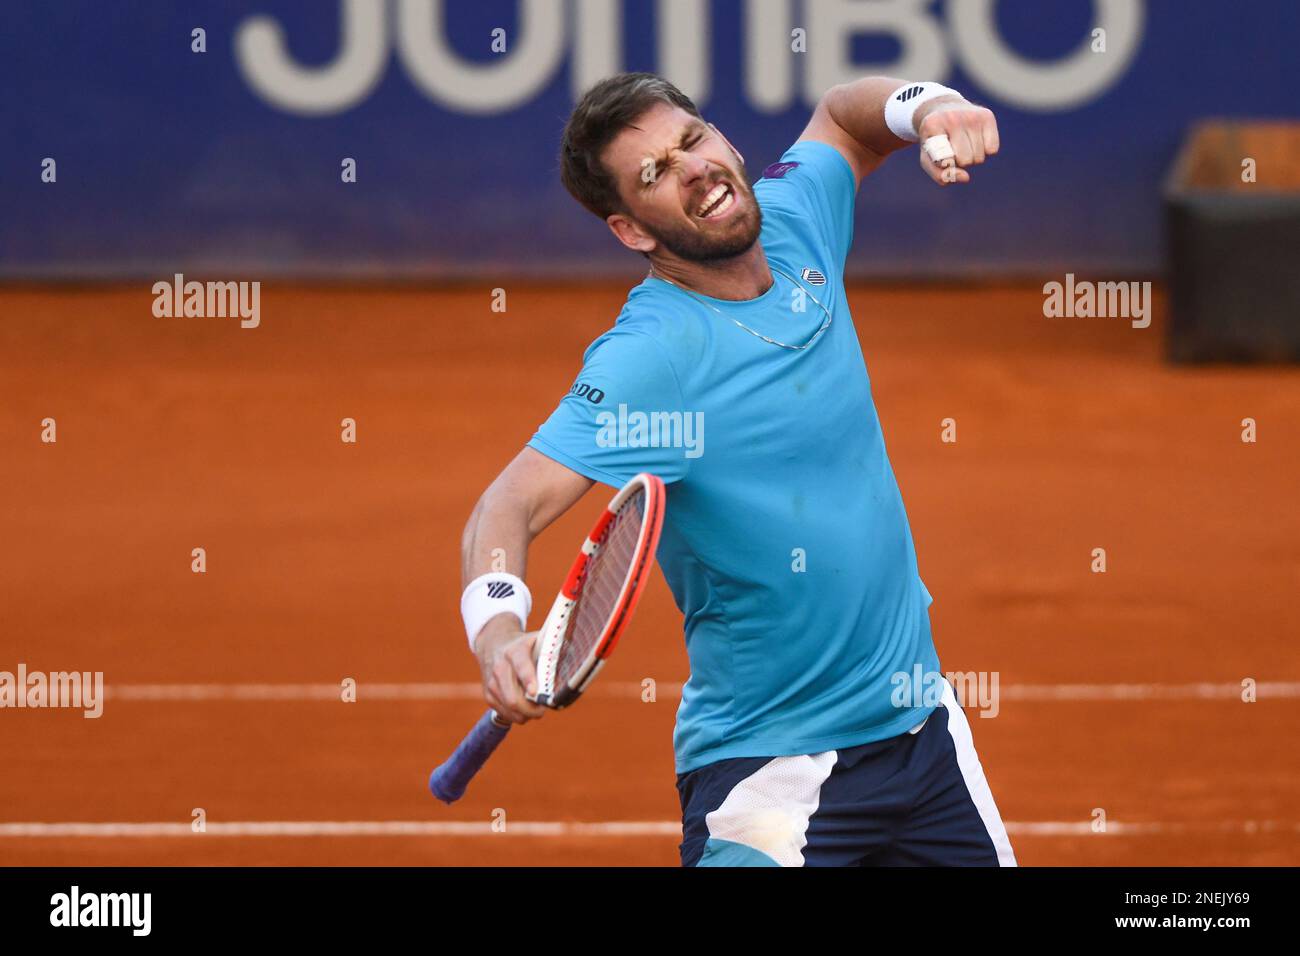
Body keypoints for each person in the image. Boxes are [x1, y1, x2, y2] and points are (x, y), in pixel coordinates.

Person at [458, 71, 1015, 866]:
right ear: (631, 230)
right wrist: (498, 633)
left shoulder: (797, 224)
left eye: (691, 140)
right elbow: (505, 505)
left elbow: (843, 120)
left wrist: (929, 106)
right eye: (654, 174)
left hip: (924, 737)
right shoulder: (652, 359)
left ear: (724, 139)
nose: (692, 169)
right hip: (772, 778)